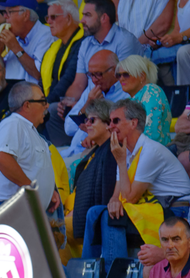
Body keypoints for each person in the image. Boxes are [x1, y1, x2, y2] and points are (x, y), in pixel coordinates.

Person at [84, 100, 190, 269]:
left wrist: (120, 162)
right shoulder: (126, 150)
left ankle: (116, 276)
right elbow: (119, 190)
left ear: (133, 123)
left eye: (116, 121)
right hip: (155, 206)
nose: (110, 126)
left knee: (111, 216)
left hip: (178, 209)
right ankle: (89, 275)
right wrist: (114, 200)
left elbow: (130, 197)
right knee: (94, 213)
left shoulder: (150, 151)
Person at [0, 82, 58, 214]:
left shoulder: (27, 129)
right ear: (27, 105)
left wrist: (49, 193)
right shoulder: (13, 123)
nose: (47, 105)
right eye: (43, 101)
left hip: (23, 208)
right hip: (13, 208)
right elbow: (1, 157)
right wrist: (29, 187)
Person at [67, 0, 144, 104]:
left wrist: (87, 107)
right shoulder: (86, 44)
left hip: (116, 105)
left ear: (103, 18)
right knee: (55, 111)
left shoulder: (125, 41)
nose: (82, 20)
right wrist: (68, 102)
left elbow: (122, 85)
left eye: (87, 15)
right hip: (90, 102)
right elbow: (78, 84)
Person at [61, 50, 128, 160]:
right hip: (72, 150)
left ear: (114, 70)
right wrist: (88, 103)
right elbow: (69, 128)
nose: (94, 80)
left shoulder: (125, 92)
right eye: (90, 75)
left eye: (98, 74)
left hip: (92, 155)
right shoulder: (92, 89)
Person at [68, 99, 118, 246]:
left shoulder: (111, 150)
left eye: (92, 120)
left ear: (108, 124)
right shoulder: (99, 149)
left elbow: (106, 193)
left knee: (54, 232)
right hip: (84, 217)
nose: (87, 124)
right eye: (86, 120)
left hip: (96, 221)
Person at [41, 0, 87, 146]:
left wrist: (43, 105)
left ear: (68, 19)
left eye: (53, 17)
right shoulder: (55, 46)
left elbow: (67, 79)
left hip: (74, 102)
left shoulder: (82, 43)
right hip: (54, 100)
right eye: (47, 18)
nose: (49, 22)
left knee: (46, 113)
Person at [0, 0, 55, 85]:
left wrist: (16, 48)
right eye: (4, 12)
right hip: (9, 94)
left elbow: (39, 74)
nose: (5, 17)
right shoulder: (16, 38)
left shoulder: (47, 35)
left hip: (32, 95)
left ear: (25, 15)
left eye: (9, 12)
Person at [117, 55, 172, 146]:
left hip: (154, 152)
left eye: (126, 74)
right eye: (119, 75)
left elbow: (152, 132)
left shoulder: (151, 90)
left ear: (142, 76)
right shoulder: (131, 100)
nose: (121, 78)